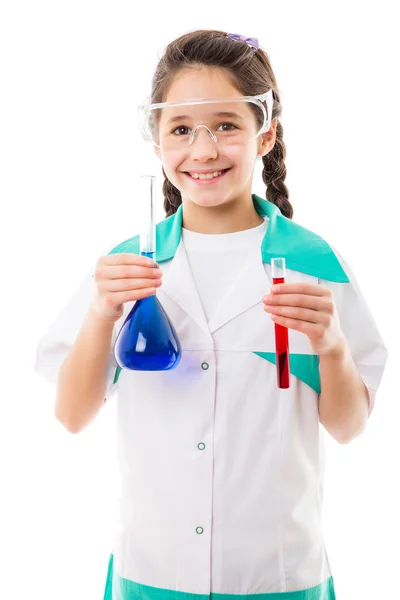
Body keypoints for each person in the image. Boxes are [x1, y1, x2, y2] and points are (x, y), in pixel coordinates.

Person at [34, 29, 388, 600]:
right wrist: (103, 314)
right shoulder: (126, 266)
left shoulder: (314, 265)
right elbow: (73, 416)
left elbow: (348, 428)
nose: (202, 150)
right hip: (153, 573)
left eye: (226, 125)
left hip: (276, 577)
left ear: (264, 134)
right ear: (157, 146)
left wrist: (333, 346)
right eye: (180, 130)